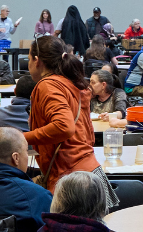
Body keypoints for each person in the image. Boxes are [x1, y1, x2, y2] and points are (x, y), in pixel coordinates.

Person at [25, 35, 99, 188]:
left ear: (37, 60)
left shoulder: (48, 85)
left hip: (70, 178)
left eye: (29, 59)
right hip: (89, 171)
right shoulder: (71, 83)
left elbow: (64, 127)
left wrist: (22, 138)